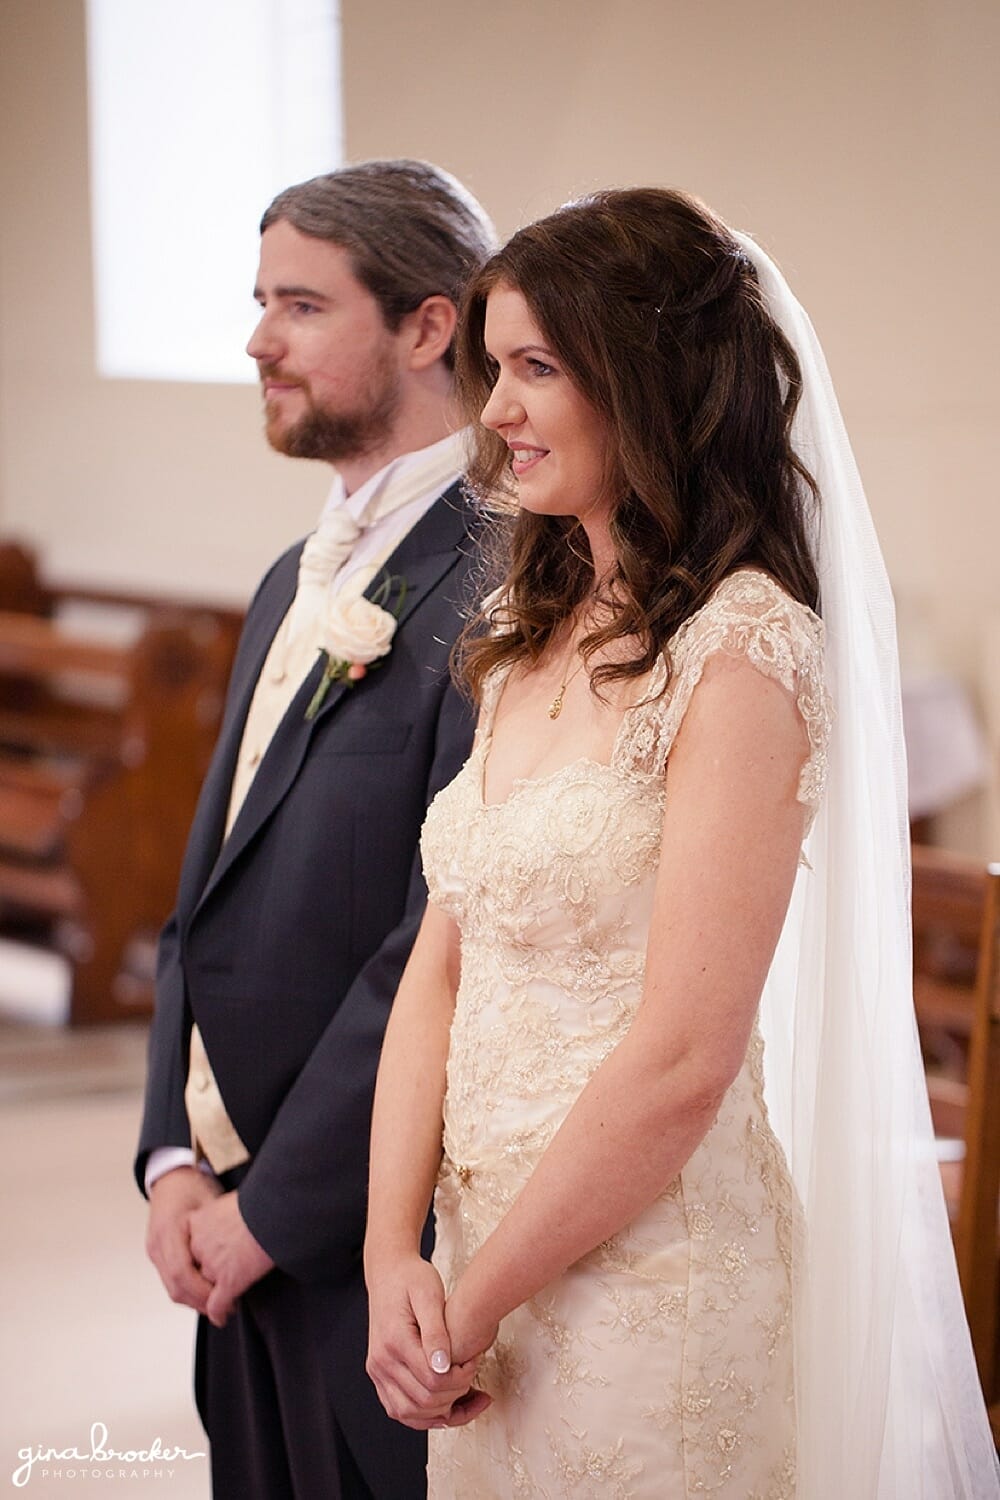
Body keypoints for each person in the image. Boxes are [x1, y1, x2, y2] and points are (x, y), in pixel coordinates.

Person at [364, 188, 1000, 1497]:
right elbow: (442, 966)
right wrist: (393, 1258)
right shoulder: (524, 626)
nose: (492, 413)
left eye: (536, 369)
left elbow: (683, 1052)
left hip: (648, 1286)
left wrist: (477, 1297)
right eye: (496, 368)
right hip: (475, 1269)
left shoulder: (746, 651)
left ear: (648, 383)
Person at [135, 159, 496, 1500]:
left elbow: (435, 947)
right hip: (227, 1226)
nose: (256, 341)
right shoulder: (295, 576)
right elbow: (204, 892)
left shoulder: (503, 581)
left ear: (425, 327)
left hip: (367, 1249)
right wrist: (176, 1162)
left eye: (299, 305)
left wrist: (275, 1215)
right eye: (257, 301)